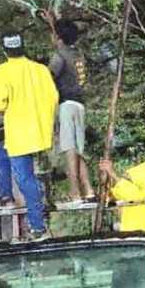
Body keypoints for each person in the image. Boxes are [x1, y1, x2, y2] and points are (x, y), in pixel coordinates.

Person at [0, 31, 58, 241]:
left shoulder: (2, 71)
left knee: (25, 179)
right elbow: (54, 97)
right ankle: (6, 196)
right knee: (0, 153)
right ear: (23, 47)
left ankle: (37, 226)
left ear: (5, 50)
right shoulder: (40, 70)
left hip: (19, 133)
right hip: (39, 131)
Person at [48, 20, 96, 203]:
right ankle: (89, 190)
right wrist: (51, 22)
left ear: (58, 38)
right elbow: (60, 39)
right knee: (77, 150)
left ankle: (75, 193)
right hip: (80, 105)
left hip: (66, 105)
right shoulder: (78, 55)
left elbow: (49, 77)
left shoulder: (59, 56)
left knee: (69, 149)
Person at [98, 159, 145, 232]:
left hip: (143, 237)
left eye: (129, 180)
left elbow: (129, 193)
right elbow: (115, 194)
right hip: (134, 236)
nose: (127, 182)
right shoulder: (135, 194)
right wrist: (108, 178)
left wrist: (112, 173)